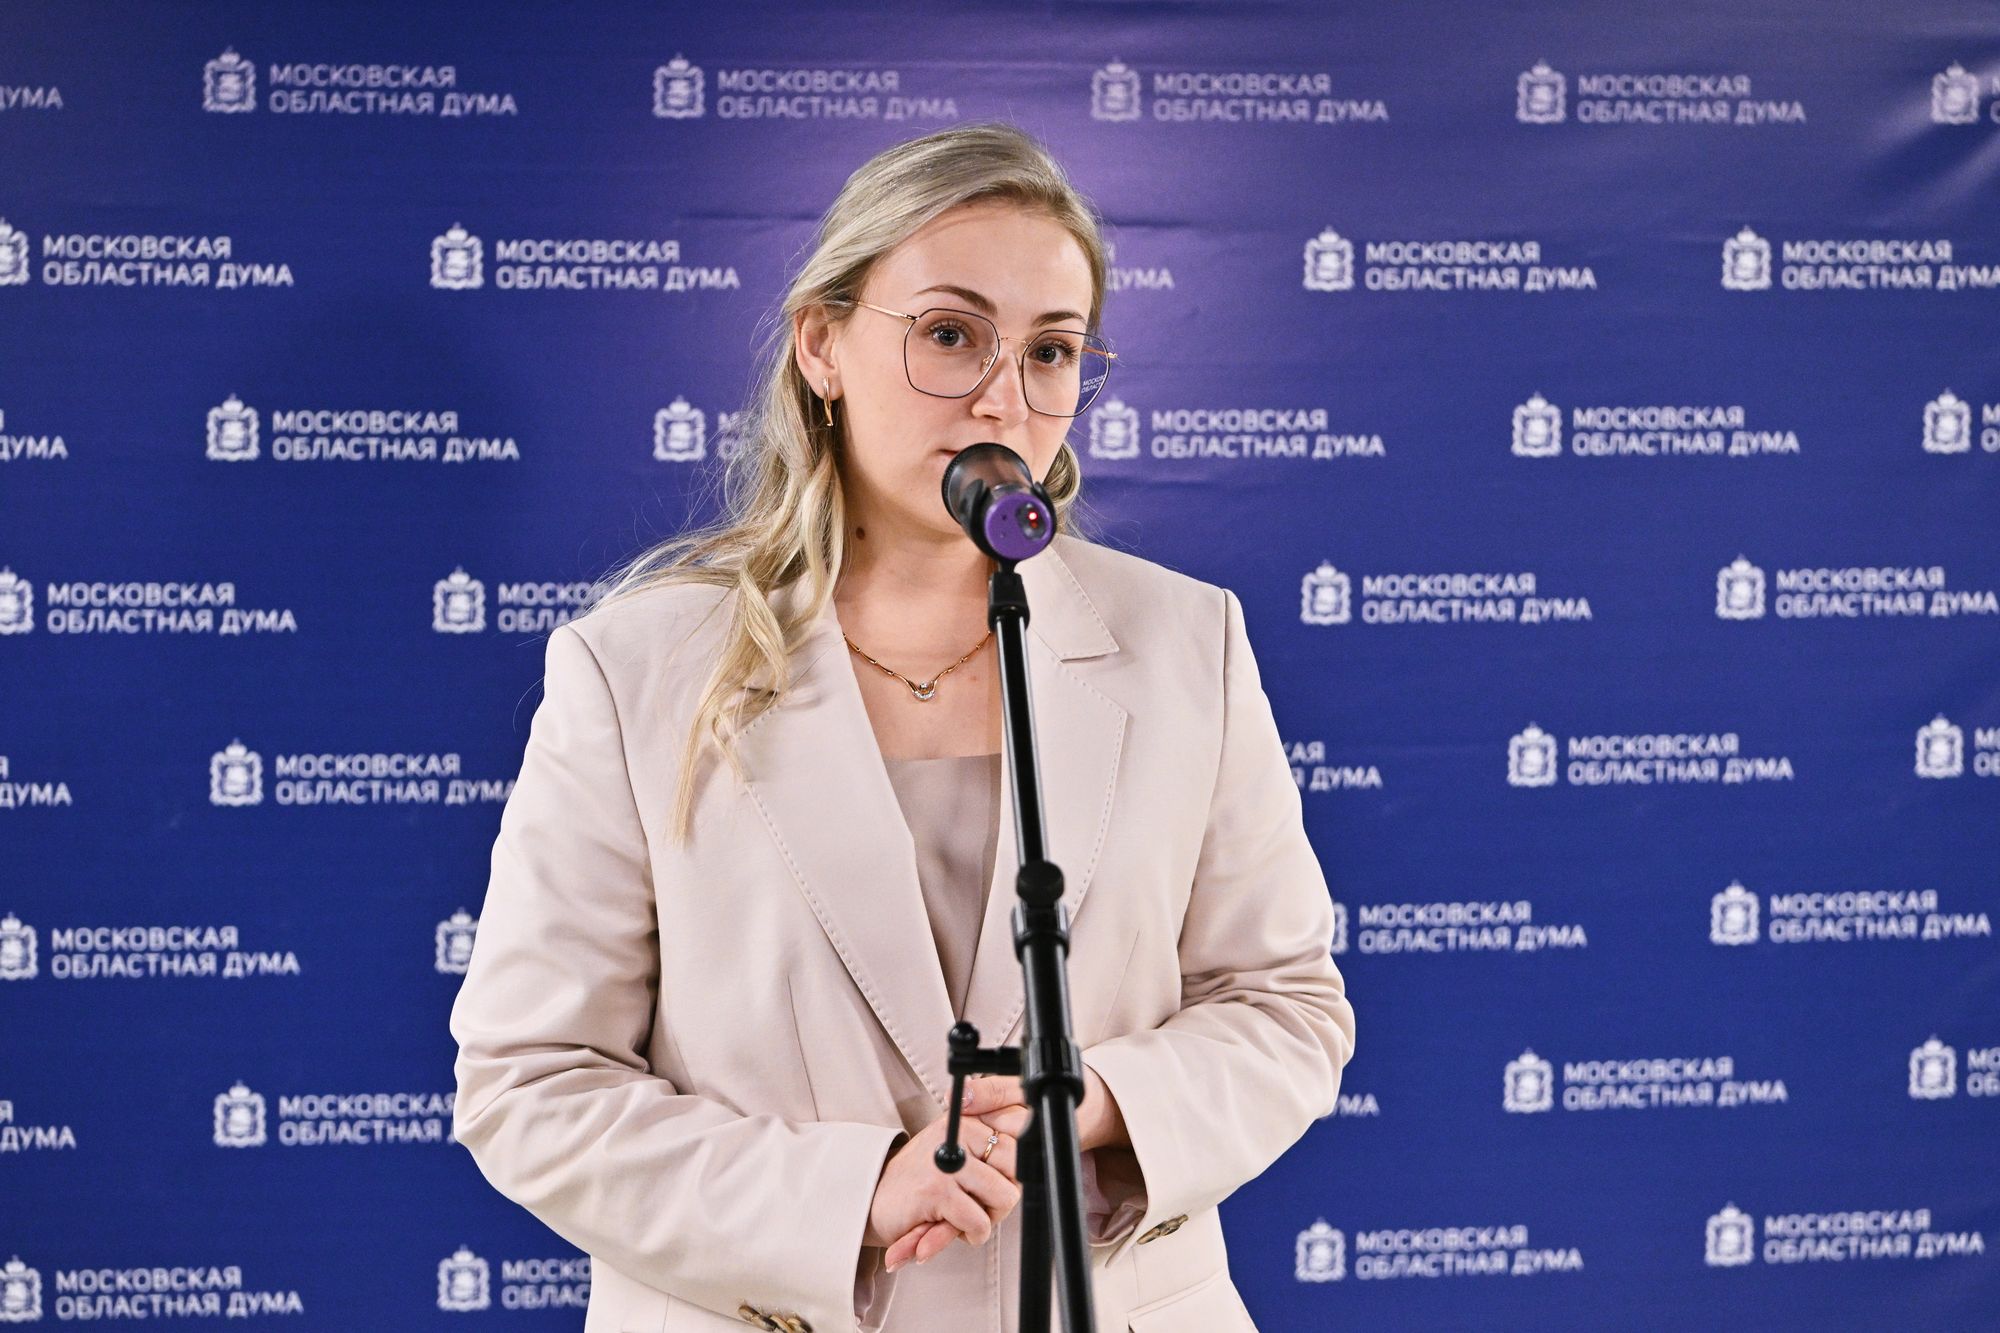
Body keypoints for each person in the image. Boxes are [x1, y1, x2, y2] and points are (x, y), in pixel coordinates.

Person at [448, 121, 1355, 1333]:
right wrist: (849, 1194)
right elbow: (530, 1085)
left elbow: (1284, 1005)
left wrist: (1091, 1102)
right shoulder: (635, 670)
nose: (1001, 396)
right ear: (820, 344)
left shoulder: (1188, 642)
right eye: (948, 334)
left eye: (1050, 351)